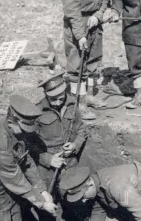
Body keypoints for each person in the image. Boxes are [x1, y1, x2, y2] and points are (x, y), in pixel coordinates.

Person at [0, 94, 57, 221]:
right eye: (24, 128)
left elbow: (27, 161)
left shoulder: (18, 132)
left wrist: (42, 190)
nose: (27, 132)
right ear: (10, 122)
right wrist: (42, 203)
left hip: (9, 193)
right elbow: (14, 178)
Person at [24, 72, 88, 220]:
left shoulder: (72, 104)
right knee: (47, 203)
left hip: (70, 162)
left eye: (61, 98)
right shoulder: (37, 112)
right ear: (46, 94)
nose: (58, 102)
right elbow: (28, 143)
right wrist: (47, 159)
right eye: (53, 99)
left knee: (73, 199)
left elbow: (82, 130)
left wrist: (74, 145)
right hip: (47, 168)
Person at [62, 0, 108, 120]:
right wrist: (80, 36)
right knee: (77, 65)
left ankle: (89, 96)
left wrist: (99, 15)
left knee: (93, 61)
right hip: (77, 23)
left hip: (95, 22)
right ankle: (78, 104)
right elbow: (72, 10)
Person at [59, 161, 141, 221]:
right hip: (138, 198)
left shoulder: (116, 187)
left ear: (90, 184)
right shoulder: (96, 183)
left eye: (83, 196)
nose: (84, 201)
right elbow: (98, 208)